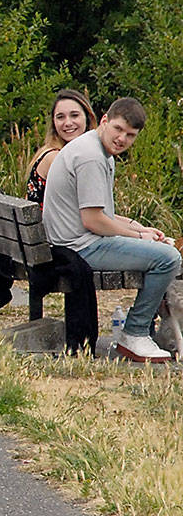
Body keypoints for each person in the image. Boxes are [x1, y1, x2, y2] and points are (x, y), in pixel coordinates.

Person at [41, 97, 180, 363]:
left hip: (75, 240)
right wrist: (139, 238)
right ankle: (135, 333)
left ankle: (147, 331)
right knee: (168, 258)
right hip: (77, 247)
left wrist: (137, 226)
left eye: (130, 135)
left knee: (161, 248)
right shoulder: (91, 157)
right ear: (104, 120)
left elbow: (100, 212)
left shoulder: (97, 149)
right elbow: (93, 221)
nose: (122, 139)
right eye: (118, 129)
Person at [25, 89, 97, 208]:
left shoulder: (74, 154)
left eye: (74, 115)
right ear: (54, 122)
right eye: (60, 117)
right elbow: (88, 211)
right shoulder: (54, 157)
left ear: (87, 118)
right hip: (52, 226)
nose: (68, 123)